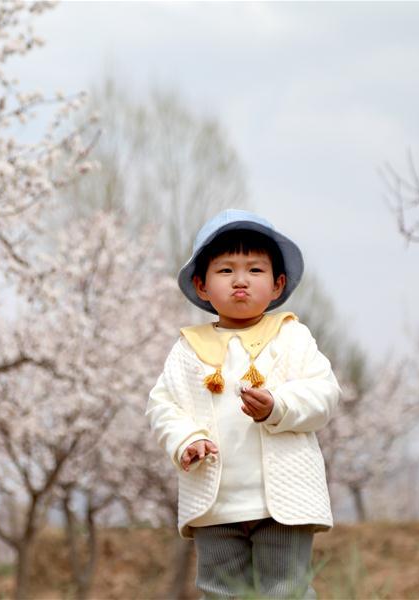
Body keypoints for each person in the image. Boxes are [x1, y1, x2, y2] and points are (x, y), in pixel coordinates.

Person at [145, 209, 342, 599]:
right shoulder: (188, 349)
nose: (240, 281)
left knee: (284, 590)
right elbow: (163, 405)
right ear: (201, 286)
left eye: (255, 270)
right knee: (221, 591)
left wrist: (277, 406)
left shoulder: (292, 337)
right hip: (217, 502)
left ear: (277, 284)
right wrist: (186, 440)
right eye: (225, 271)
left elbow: (324, 393)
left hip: (283, 502)